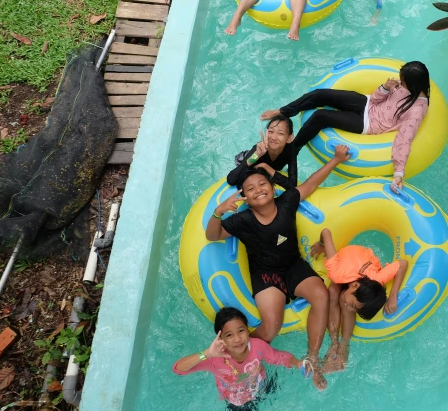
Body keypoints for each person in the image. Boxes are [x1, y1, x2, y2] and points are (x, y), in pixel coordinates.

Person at [205, 144, 352, 390]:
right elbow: (212, 235)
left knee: (321, 295)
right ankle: (237, 358)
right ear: (246, 199)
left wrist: (336, 160)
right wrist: (218, 212)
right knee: (271, 327)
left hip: (294, 266)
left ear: (273, 189)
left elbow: (311, 184)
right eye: (250, 189)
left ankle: (312, 359)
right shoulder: (243, 220)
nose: (258, 190)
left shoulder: (286, 203)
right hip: (266, 275)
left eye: (262, 185)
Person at [260, 61, 430, 193]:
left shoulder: (416, 110)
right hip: (367, 102)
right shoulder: (405, 87)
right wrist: (385, 88)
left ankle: (291, 150)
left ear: (414, 85)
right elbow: (378, 99)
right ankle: (282, 111)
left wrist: (399, 173)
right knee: (320, 94)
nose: (400, 83)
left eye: (403, 81)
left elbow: (404, 139)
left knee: (321, 116)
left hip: (367, 123)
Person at [309, 228, 408, 373]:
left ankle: (344, 346)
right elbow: (325, 231)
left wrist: (393, 295)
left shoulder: (376, 281)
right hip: (347, 263)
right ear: (354, 286)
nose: (349, 309)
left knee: (345, 301)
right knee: (332, 292)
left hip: (362, 269)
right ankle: (334, 342)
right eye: (353, 306)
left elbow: (402, 265)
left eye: (355, 309)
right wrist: (321, 244)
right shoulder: (338, 272)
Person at [173, 307, 308, 410]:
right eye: (229, 335)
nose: (237, 339)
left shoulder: (257, 346)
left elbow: (278, 357)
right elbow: (178, 369)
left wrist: (297, 362)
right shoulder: (214, 359)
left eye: (241, 331)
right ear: (221, 339)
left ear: (247, 330)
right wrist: (207, 353)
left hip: (262, 386)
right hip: (236, 401)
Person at [227, 115, 297, 190]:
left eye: (280, 133)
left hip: (266, 167)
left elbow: (292, 185)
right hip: (249, 158)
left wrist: (266, 167)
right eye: (271, 131)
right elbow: (231, 179)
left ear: (289, 138)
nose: (273, 137)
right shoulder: (259, 148)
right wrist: (256, 155)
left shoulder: (291, 151)